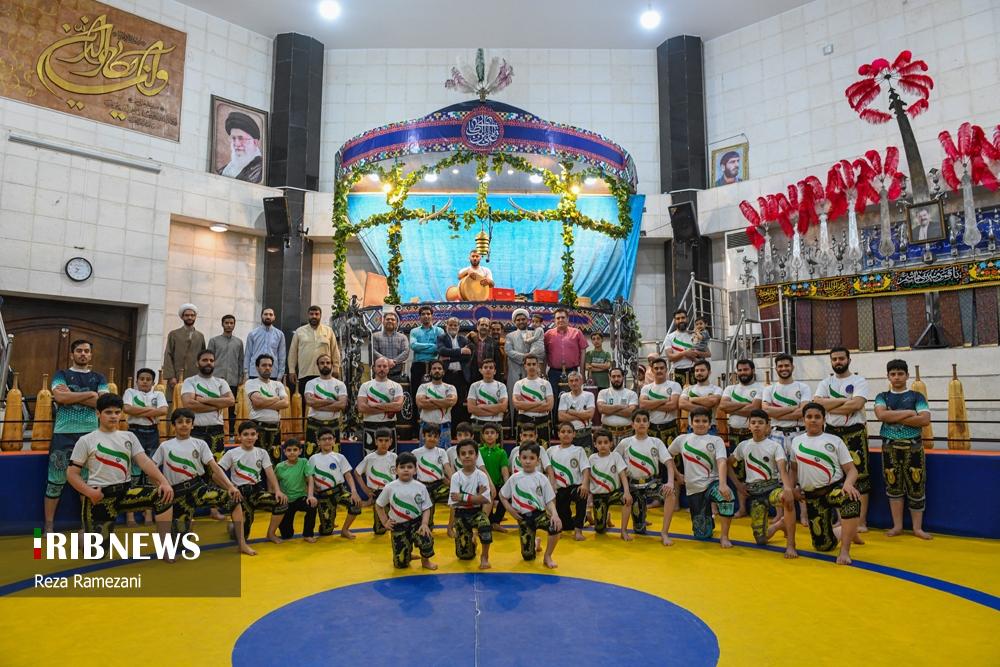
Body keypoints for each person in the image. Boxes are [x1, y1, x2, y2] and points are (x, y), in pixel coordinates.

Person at [65, 394, 174, 542]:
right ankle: (84, 536)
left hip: (125, 492)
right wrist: (89, 492)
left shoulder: (129, 437)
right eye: (108, 412)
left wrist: (164, 482)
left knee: (164, 496)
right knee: (97, 551)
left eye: (117, 412)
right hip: (100, 496)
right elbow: (71, 474)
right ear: (98, 413)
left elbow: (145, 462)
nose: (113, 416)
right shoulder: (86, 440)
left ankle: (165, 546)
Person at [152, 408, 256, 555]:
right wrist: (160, 485)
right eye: (180, 422)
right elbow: (151, 469)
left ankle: (242, 544)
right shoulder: (165, 446)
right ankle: (187, 526)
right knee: (178, 545)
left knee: (234, 499)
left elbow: (215, 467)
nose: (184, 424)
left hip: (198, 488)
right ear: (173, 425)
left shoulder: (200, 444)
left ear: (193, 425)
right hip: (178, 493)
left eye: (188, 421)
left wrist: (230, 486)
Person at [44, 339, 109, 532]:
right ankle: (48, 525)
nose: (83, 354)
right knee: (55, 481)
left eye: (86, 351)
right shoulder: (61, 374)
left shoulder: (99, 377)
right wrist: (91, 395)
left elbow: (103, 403)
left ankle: (86, 525)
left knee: (89, 481)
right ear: (72, 354)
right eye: (79, 350)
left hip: (91, 435)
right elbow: (60, 397)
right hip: (63, 433)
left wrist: (72, 396)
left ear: (91, 355)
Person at [787, 403, 863, 565]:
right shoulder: (796, 441)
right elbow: (793, 469)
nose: (813, 420)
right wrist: (793, 488)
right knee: (823, 546)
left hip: (833, 490)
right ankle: (848, 531)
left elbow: (852, 470)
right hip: (812, 496)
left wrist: (848, 484)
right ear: (803, 419)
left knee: (851, 499)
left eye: (817, 417)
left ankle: (845, 550)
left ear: (824, 419)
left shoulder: (835, 440)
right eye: (809, 417)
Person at [813, 347, 872, 532]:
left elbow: (857, 404)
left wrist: (830, 405)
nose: (838, 362)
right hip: (831, 433)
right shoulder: (826, 382)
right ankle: (841, 519)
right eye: (834, 359)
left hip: (854, 433)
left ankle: (861, 522)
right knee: (835, 476)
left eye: (841, 358)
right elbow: (817, 404)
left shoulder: (858, 381)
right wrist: (846, 401)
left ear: (849, 360)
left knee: (860, 477)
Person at [873, 359, 933, 540]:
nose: (897, 377)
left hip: (913, 447)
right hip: (890, 447)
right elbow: (881, 415)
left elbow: (924, 419)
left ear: (907, 375)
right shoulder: (882, 396)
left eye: (900, 373)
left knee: (916, 485)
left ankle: (917, 528)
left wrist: (892, 416)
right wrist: (909, 413)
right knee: (893, 486)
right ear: (888, 376)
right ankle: (897, 526)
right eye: (893, 374)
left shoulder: (917, 396)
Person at [665, 408, 735, 547]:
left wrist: (722, 484)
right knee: (702, 534)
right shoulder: (682, 439)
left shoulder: (716, 440)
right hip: (693, 488)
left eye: (704, 421)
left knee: (727, 498)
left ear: (710, 424)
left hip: (713, 483)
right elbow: (667, 456)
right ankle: (708, 521)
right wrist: (677, 475)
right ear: (691, 423)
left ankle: (724, 536)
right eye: (697, 421)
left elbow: (722, 462)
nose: (701, 424)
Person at [730, 410, 796, 555]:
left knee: (787, 499)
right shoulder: (743, 446)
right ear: (749, 426)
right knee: (761, 540)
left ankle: (791, 545)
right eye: (753, 423)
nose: (756, 426)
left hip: (772, 489)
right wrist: (738, 485)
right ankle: (780, 524)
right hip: (755, 494)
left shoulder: (774, 446)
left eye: (760, 423)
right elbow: (727, 464)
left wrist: (787, 488)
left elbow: (782, 469)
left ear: (768, 426)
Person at [762, 353, 812, 528]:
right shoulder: (769, 389)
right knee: (777, 475)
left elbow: (803, 412)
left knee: (801, 475)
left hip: (798, 434)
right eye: (780, 366)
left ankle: (804, 514)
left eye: (786, 365)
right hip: (776, 434)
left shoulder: (803, 387)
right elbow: (766, 411)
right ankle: (780, 514)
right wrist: (793, 409)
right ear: (776, 368)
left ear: (792, 367)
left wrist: (778, 412)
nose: (783, 368)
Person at [218, 421, 288, 543]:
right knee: (241, 536)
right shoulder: (231, 453)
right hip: (240, 495)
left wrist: (277, 490)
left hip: (257, 492)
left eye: (252, 434)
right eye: (245, 434)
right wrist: (230, 487)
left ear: (257, 436)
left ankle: (271, 534)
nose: (249, 437)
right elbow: (216, 475)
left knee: (281, 503)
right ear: (239, 436)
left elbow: (270, 473)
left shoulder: (262, 452)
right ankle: (233, 526)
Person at [498, 442, 562, 568]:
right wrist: (510, 510)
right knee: (528, 557)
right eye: (524, 458)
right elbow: (502, 495)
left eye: (532, 458)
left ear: (538, 461)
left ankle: (548, 556)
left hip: (539, 515)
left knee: (555, 528)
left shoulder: (542, 478)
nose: (528, 461)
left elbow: (550, 500)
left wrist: (555, 514)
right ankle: (535, 542)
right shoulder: (514, 478)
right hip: (523, 518)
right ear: (519, 459)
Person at [374, 452, 438, 570]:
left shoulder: (421, 487)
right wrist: (385, 522)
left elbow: (426, 508)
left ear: (415, 470)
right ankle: (406, 553)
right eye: (402, 467)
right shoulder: (390, 487)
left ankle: (425, 561)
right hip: (398, 526)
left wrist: (424, 524)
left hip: (417, 523)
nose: (406, 470)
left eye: (409, 467)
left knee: (426, 538)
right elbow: (378, 505)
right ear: (396, 470)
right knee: (401, 565)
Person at [615, 410, 671, 543]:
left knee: (670, 494)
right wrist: (624, 489)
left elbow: (669, 462)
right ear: (632, 424)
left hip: (652, 483)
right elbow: (614, 460)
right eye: (638, 421)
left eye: (644, 421)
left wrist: (670, 482)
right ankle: (624, 530)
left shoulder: (656, 442)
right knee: (639, 529)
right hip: (633, 485)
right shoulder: (625, 442)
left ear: (649, 424)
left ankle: (664, 533)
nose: (641, 423)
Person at [718, 359, 764, 516]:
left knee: (755, 470)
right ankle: (742, 508)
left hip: (752, 435)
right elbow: (723, 406)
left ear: (752, 370)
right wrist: (745, 406)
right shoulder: (730, 388)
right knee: (738, 471)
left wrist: (733, 407)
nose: (743, 373)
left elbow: (755, 409)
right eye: (740, 370)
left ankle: (758, 507)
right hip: (734, 434)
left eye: (746, 369)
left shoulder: (760, 388)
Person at [122, 367, 167, 526]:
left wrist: (138, 411)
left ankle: (148, 512)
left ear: (153, 382)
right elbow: (127, 409)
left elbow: (164, 410)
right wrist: (152, 411)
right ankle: (130, 515)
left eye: (148, 379)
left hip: (152, 433)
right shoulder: (130, 392)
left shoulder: (158, 394)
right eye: (142, 379)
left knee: (150, 473)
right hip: (134, 433)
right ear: (137, 381)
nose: (145, 382)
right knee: (133, 474)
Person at [307, 428, 362, 540]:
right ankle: (329, 521)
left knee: (355, 505)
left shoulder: (340, 457)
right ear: (318, 442)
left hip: (339, 492)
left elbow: (348, 475)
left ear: (334, 440)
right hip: (323, 496)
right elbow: (309, 478)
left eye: (329, 438)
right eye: (323, 439)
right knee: (326, 532)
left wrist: (354, 492)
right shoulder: (313, 458)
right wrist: (311, 493)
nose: (327, 441)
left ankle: (345, 530)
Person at [180, 349, 235, 461]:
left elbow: (230, 401)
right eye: (204, 360)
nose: (208, 363)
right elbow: (189, 404)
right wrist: (218, 405)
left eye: (211, 360)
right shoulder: (190, 381)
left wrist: (204, 400)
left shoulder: (221, 382)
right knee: (195, 465)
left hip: (217, 431)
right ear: (197, 363)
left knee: (216, 466)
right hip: (196, 430)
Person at [449, 439, 493, 569]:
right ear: (458, 457)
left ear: (476, 455)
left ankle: (484, 556)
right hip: (461, 514)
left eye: (471, 453)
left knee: (485, 525)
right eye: (463, 454)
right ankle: (472, 542)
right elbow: (454, 501)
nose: (467, 456)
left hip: (476, 512)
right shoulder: (456, 477)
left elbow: (485, 499)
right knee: (464, 556)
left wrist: (463, 497)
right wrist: (476, 497)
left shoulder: (482, 475)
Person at [638, 357, 681, 485]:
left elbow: (673, 405)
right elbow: (643, 405)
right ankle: (656, 494)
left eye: (662, 368)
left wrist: (652, 404)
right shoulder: (646, 388)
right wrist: (664, 400)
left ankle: (674, 493)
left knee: (674, 462)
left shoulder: (674, 385)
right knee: (654, 463)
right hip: (652, 430)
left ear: (666, 369)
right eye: (656, 368)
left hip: (670, 429)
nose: (659, 370)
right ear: (652, 370)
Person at [543, 309, 589, 420]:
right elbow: (543, 353)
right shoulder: (548, 334)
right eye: (558, 318)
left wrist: (582, 373)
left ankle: (571, 424)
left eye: (563, 317)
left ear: (568, 319)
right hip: (554, 373)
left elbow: (583, 352)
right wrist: (543, 372)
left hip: (572, 372)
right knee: (553, 398)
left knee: (572, 398)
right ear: (554, 320)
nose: (560, 320)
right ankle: (555, 425)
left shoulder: (577, 333)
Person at [245, 354, 290, 465]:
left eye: (270, 365)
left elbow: (285, 403)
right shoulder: (251, 383)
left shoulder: (278, 384)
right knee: (257, 464)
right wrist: (276, 398)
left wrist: (262, 404)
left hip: (275, 429)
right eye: (264, 365)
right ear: (257, 367)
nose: (267, 368)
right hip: (257, 428)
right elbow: (257, 402)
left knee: (275, 463)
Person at [550, 422, 592, 541]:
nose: (566, 434)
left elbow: (586, 469)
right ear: (558, 434)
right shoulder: (551, 451)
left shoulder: (578, 450)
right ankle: (586, 517)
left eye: (569, 432)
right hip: (559, 490)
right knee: (567, 525)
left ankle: (578, 530)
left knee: (582, 495)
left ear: (574, 434)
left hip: (575, 487)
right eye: (563, 432)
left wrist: (585, 484)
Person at [288, 305, 341, 397]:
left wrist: (336, 367)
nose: (314, 316)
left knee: (324, 399)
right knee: (306, 402)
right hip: (305, 374)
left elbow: (334, 350)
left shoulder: (328, 331)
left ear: (320, 315)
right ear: (308, 315)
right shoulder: (299, 331)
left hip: (324, 373)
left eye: (316, 314)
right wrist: (292, 370)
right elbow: (293, 352)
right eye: (311, 314)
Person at [588, 429, 633, 538]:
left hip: (613, 493)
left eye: (606, 442)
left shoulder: (615, 456)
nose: (603, 445)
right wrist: (589, 496)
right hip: (598, 496)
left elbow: (623, 475)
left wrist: (627, 492)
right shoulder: (592, 458)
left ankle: (623, 531)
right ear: (595, 444)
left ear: (611, 444)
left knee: (627, 501)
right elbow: (588, 477)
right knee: (599, 530)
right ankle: (606, 517)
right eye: (599, 443)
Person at [354, 428, 397, 535]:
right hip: (377, 493)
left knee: (398, 523)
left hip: (392, 493)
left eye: (386, 440)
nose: (383, 443)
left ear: (391, 442)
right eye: (380, 440)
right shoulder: (370, 458)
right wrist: (366, 490)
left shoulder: (394, 457)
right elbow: (357, 473)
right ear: (376, 441)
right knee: (380, 530)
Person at [303, 354, 348, 455]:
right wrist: (331, 401)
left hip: (333, 425)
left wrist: (318, 405)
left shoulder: (340, 384)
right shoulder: (311, 383)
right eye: (322, 363)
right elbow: (310, 402)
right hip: (314, 424)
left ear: (332, 365)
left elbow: (342, 405)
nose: (325, 365)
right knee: (311, 457)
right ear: (317, 365)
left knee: (333, 457)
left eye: (328, 363)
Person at [357, 357, 405, 451]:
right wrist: (389, 407)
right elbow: (361, 408)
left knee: (390, 458)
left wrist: (375, 405)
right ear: (374, 368)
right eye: (379, 366)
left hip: (389, 426)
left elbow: (398, 406)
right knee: (370, 457)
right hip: (370, 426)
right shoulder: (365, 386)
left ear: (388, 368)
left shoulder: (397, 386)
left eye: (384, 366)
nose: (382, 369)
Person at [207, 314, 244, 435]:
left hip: (233, 380)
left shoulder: (238, 342)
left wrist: (240, 378)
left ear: (234, 325)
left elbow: (241, 361)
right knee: (216, 405)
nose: (229, 325)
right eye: (226, 323)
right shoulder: (214, 341)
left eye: (231, 323)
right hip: (216, 379)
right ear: (222, 324)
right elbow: (208, 360)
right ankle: (216, 429)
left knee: (231, 407)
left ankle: (230, 432)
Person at [505, 308, 546, 415]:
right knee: (515, 402)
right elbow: (509, 351)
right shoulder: (510, 336)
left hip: (532, 373)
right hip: (515, 373)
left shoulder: (534, 333)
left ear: (528, 320)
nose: (521, 321)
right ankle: (515, 425)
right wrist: (525, 357)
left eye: (523, 319)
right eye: (518, 320)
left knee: (533, 399)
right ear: (514, 322)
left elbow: (540, 350)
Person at [411, 424, 454, 526]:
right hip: (423, 487)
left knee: (458, 497)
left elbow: (447, 468)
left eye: (435, 436)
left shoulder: (442, 452)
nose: (432, 439)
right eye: (429, 436)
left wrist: (455, 483)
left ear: (439, 438)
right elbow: (410, 471)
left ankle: (454, 525)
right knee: (428, 517)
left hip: (439, 486)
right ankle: (426, 525)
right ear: (423, 436)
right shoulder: (415, 453)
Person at [273, 439, 316, 541]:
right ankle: (286, 530)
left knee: (312, 505)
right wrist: (275, 494)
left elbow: (310, 478)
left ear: (300, 451)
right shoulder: (279, 467)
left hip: (300, 497)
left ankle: (308, 534)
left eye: (295, 450)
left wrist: (310, 496)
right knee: (287, 535)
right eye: (289, 450)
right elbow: (273, 482)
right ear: (284, 452)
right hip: (286, 500)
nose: (292, 452)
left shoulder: (304, 462)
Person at [409, 305, 443, 421]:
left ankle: (435, 421)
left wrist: (423, 347)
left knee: (435, 392)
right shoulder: (414, 331)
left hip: (434, 365)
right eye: (423, 314)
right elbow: (414, 346)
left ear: (432, 316)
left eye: (428, 314)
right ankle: (415, 425)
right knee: (416, 394)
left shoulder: (439, 331)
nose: (426, 316)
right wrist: (432, 346)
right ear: (419, 317)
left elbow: (439, 348)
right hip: (418, 365)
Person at [437, 316, 472, 427]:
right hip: (446, 375)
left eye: (455, 325)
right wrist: (460, 351)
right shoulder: (441, 338)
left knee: (459, 403)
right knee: (446, 402)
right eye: (450, 325)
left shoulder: (463, 339)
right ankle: (446, 428)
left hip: (461, 376)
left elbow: (467, 357)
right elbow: (442, 350)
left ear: (459, 327)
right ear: (446, 326)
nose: (453, 327)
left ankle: (456, 429)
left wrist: (449, 357)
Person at [163, 303, 206, 394]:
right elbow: (168, 355)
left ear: (195, 317)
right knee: (175, 399)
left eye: (192, 315)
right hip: (177, 376)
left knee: (193, 399)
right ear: (182, 317)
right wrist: (171, 376)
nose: (189, 317)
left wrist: (203, 376)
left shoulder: (200, 336)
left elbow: (203, 358)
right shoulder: (174, 334)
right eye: (187, 315)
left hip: (195, 376)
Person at [415, 360, 458, 449]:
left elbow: (451, 402)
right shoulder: (423, 387)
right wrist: (443, 403)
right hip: (426, 427)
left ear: (443, 372)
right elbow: (421, 403)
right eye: (434, 368)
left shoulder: (450, 387)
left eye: (439, 368)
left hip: (444, 427)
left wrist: (431, 400)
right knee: (425, 454)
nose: (437, 370)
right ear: (430, 372)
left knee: (444, 455)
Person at [661, 309, 709, 387]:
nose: (681, 320)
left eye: (683, 318)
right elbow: (670, 357)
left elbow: (708, 354)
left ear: (687, 319)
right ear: (674, 321)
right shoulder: (669, 337)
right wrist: (685, 353)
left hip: (696, 371)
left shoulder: (695, 334)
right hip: (679, 373)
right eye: (678, 318)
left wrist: (696, 353)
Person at [512, 355, 554, 444]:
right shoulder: (518, 384)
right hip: (524, 421)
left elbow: (549, 406)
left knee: (543, 450)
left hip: (542, 422)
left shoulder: (546, 384)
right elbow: (517, 405)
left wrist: (525, 406)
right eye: (529, 364)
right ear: (525, 366)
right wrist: (540, 403)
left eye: (534, 364)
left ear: (538, 365)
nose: (531, 366)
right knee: (523, 450)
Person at [478, 423, 509, 532]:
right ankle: (488, 521)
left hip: (498, 484)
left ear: (497, 435)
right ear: (482, 436)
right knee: (486, 496)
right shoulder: (479, 451)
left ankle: (496, 522)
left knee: (507, 496)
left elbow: (505, 471)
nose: (489, 435)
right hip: (482, 486)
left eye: (492, 433)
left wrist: (507, 486)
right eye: (487, 433)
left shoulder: (501, 452)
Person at [218, 111, 263, 183]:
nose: (237, 144)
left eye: (241, 138)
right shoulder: (224, 170)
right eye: (233, 138)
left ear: (255, 142)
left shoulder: (260, 170)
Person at [597, 367, 639, 445]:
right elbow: (601, 409)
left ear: (623, 377)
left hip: (627, 433)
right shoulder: (603, 393)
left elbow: (630, 412)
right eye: (613, 376)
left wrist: (609, 410)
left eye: (619, 376)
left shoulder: (631, 394)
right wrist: (620, 407)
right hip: (607, 433)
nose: (616, 379)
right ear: (609, 377)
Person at [467, 358, 509, 433]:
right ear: (481, 370)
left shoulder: (501, 386)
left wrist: (482, 406)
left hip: (495, 425)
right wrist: (495, 411)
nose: (488, 369)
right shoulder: (474, 386)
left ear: (495, 371)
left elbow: (503, 407)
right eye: (485, 367)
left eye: (491, 367)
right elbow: (471, 409)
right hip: (478, 424)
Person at [557, 371, 596, 452]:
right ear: (568, 383)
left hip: (585, 435)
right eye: (571, 381)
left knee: (586, 458)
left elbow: (590, 415)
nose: (574, 383)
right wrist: (582, 416)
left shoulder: (589, 395)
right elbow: (561, 417)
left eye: (576, 380)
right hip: (569, 436)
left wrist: (571, 412)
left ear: (581, 381)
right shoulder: (564, 396)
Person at [678, 360, 723, 428]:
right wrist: (706, 408)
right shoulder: (688, 389)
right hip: (692, 428)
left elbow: (713, 401)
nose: (699, 373)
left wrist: (692, 399)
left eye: (702, 370)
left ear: (709, 372)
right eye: (697, 370)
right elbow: (682, 404)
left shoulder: (717, 389)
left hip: (710, 428)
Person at [244, 308, 286, 381]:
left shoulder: (280, 335)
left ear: (274, 317)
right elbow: (248, 354)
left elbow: (282, 356)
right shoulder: (252, 334)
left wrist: (280, 375)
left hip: (272, 373)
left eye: (270, 315)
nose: (268, 316)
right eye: (265, 314)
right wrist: (246, 373)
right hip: (254, 373)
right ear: (261, 316)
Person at [372, 310, 409, 384]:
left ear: (396, 323)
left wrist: (394, 361)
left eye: (392, 319)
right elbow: (373, 351)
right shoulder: (375, 336)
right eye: (387, 319)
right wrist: (386, 361)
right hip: (379, 374)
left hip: (397, 375)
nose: (390, 321)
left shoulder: (403, 337)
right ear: (383, 322)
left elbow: (406, 352)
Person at [467, 317, 502, 384]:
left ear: (489, 328)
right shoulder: (470, 340)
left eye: (486, 325)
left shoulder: (494, 343)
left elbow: (497, 362)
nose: (484, 327)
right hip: (472, 375)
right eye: (482, 325)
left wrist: (498, 379)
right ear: (477, 327)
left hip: (488, 374)